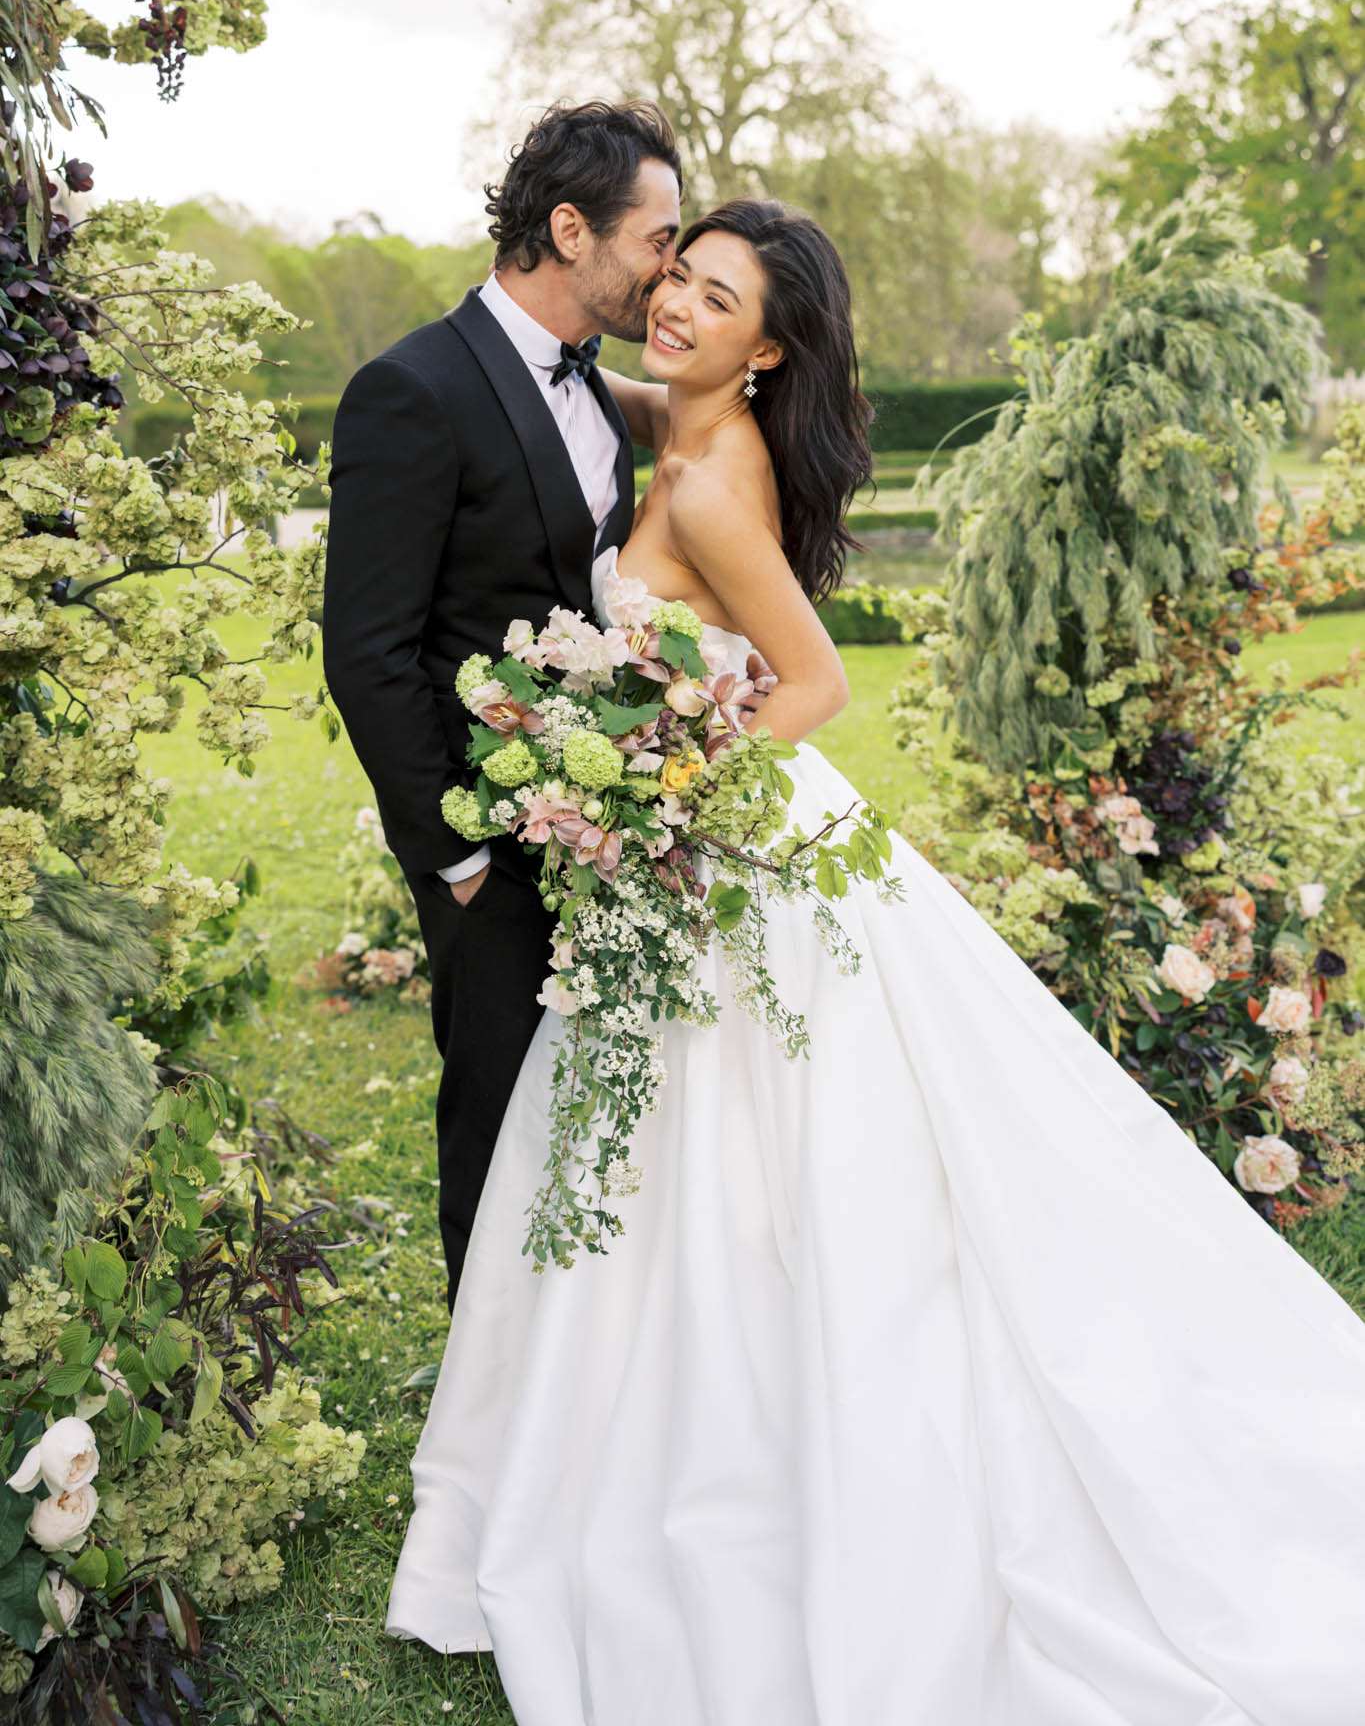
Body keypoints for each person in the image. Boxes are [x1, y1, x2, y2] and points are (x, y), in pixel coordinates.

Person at [383, 198, 1365, 1724]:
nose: (681, 310)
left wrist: (652, 791)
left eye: (719, 301)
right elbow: (572, 371)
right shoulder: (677, 417)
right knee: (687, 1166)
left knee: (770, 1163)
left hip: (734, 841)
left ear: (769, 347)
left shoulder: (711, 485)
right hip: (698, 844)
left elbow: (819, 682)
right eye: (679, 278)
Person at [321, 99, 682, 1312]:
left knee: (591, 1130)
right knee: (494, 1130)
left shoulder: (595, 385)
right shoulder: (410, 389)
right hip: (490, 854)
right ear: (569, 228)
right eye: (658, 239)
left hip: (601, 836)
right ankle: (484, 1432)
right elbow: (369, 651)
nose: (669, 269)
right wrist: (459, 856)